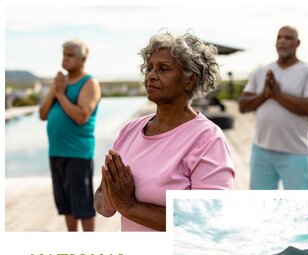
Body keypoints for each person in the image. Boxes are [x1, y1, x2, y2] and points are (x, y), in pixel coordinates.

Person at [94, 31, 235, 232]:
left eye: (163, 68)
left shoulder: (206, 139)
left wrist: (130, 207)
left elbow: (212, 220)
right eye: (149, 68)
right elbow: (100, 200)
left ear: (190, 80)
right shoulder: (130, 130)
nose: (151, 75)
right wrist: (109, 196)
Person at [239, 25, 308, 190]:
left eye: (288, 38)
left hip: (295, 153)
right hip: (261, 151)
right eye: (279, 37)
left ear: (297, 43)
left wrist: (277, 94)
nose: (282, 41)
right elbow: (243, 106)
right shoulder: (262, 71)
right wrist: (264, 95)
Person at [39, 39, 101, 231]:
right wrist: (55, 90)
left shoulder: (89, 83)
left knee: (83, 205)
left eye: (70, 55)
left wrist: (60, 95)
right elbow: (43, 114)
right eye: (64, 54)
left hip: (77, 154)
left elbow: (82, 116)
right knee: (66, 205)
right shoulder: (60, 83)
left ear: (83, 59)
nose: (65, 58)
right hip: (56, 152)